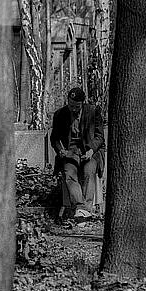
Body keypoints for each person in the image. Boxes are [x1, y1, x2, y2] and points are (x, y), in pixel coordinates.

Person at [50, 87, 105, 220]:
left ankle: (85, 209)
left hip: (89, 151)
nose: (73, 109)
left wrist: (91, 150)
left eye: (77, 106)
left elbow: (99, 136)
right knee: (69, 174)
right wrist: (60, 150)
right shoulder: (60, 114)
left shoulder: (93, 111)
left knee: (88, 171)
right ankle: (81, 208)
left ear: (82, 103)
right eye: (71, 105)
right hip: (70, 152)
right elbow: (54, 138)